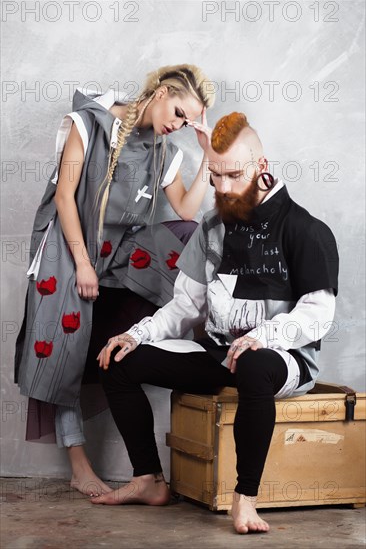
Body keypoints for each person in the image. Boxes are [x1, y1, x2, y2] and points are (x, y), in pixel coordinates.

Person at [92, 112, 339, 535]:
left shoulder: (306, 230)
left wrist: (263, 336)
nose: (222, 189)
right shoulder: (210, 229)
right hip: (223, 355)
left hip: (282, 359)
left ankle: (245, 500)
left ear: (262, 167)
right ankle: (148, 479)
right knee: (119, 361)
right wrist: (137, 334)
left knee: (255, 365)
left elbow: (318, 316)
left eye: (233, 175)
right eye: (215, 176)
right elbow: (185, 307)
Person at [14, 64, 215, 496]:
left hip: (114, 252)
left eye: (186, 121)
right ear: (162, 92)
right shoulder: (89, 123)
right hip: (66, 247)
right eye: (179, 113)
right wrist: (82, 264)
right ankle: (79, 464)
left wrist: (207, 156)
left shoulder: (165, 150)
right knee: (64, 341)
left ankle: (198, 340)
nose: (178, 125)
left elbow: (184, 212)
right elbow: (65, 197)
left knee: (188, 237)